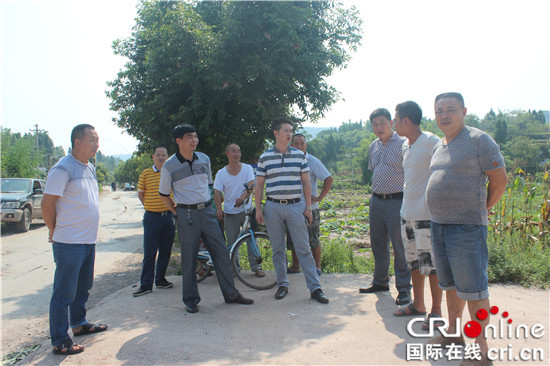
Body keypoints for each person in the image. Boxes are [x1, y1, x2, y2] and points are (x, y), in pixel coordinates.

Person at [426, 93, 507, 366]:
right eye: (439, 110)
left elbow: (500, 178)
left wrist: (482, 208)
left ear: (464, 111)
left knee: (474, 289)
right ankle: (453, 334)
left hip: (466, 227)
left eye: (450, 110)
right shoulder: (440, 145)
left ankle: (481, 351)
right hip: (439, 224)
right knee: (449, 284)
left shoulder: (479, 140)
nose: (444, 115)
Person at [158, 124, 254, 313]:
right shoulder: (169, 166)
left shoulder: (204, 159)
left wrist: (212, 207)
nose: (194, 140)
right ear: (178, 141)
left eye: (195, 136)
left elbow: (208, 185)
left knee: (221, 253)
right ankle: (191, 299)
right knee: (189, 258)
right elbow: (163, 195)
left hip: (208, 211)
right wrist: (176, 211)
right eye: (189, 137)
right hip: (186, 214)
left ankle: (231, 294)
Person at [42, 124, 108, 355]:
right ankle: (60, 340)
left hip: (88, 240)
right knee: (64, 292)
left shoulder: (89, 167)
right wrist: (54, 230)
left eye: (97, 140)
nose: (96, 144)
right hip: (69, 241)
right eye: (92, 140)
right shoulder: (63, 169)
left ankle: (79, 324)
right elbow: (47, 204)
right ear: (77, 142)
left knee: (83, 287)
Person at [255, 117, 329, 304]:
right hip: (273, 207)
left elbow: (306, 182)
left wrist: (308, 207)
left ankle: (315, 288)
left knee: (303, 248)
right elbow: (259, 186)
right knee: (278, 250)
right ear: (276, 133)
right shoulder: (265, 157)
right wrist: (258, 209)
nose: (289, 134)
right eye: (286, 131)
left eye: (291, 130)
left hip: (296, 206)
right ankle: (282, 285)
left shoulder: (299, 156)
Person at [392, 101, 443, 328]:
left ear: (406, 120)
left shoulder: (432, 142)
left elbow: (443, 173)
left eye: (395, 119)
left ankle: (436, 312)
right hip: (407, 213)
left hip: (427, 215)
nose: (393, 123)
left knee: (431, 265)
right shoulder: (405, 145)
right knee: (413, 262)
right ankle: (418, 305)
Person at [358, 108, 412, 305]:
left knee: (400, 246)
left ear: (391, 122)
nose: (379, 127)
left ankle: (404, 289)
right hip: (376, 201)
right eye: (375, 124)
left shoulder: (403, 144)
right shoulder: (374, 146)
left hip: (397, 201)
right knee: (378, 244)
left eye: (382, 122)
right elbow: (375, 170)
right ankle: (380, 282)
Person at [213, 143, 264, 277]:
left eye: (239, 151)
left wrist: (242, 198)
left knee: (251, 238)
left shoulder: (247, 168)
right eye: (233, 151)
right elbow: (217, 193)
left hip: (247, 211)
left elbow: (251, 185)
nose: (237, 154)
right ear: (227, 154)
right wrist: (219, 209)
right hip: (230, 212)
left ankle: (256, 267)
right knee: (232, 241)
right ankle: (235, 268)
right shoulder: (221, 173)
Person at [286, 133, 333, 275]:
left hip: (310, 207)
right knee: (293, 238)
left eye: (302, 143)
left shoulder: (312, 161)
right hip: (292, 206)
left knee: (313, 238)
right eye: (296, 143)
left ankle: (317, 266)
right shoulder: (288, 161)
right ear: (291, 146)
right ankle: (295, 266)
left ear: (306, 145)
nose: (299, 146)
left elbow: (328, 178)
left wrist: (319, 198)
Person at [133, 145, 176, 297]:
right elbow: (141, 194)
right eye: (158, 155)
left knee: (166, 251)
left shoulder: (171, 173)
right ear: (153, 157)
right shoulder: (146, 173)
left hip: (168, 218)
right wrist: (150, 206)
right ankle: (145, 285)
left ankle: (160, 279)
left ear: (168, 157)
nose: (161, 158)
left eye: (164, 155)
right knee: (150, 253)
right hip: (151, 218)